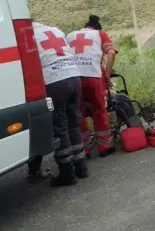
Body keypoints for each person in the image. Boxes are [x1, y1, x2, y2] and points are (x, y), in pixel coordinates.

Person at [29, 22, 89, 186]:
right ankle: (81, 167)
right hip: (73, 76)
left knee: (60, 126)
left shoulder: (29, 35)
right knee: (74, 123)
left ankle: (67, 173)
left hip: (54, 80)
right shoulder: (55, 30)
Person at [67, 15, 117, 158]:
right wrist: (107, 75)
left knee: (78, 113)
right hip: (93, 77)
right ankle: (105, 147)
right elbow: (111, 53)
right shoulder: (99, 34)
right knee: (99, 111)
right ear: (97, 28)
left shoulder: (70, 36)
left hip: (74, 78)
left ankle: (84, 149)